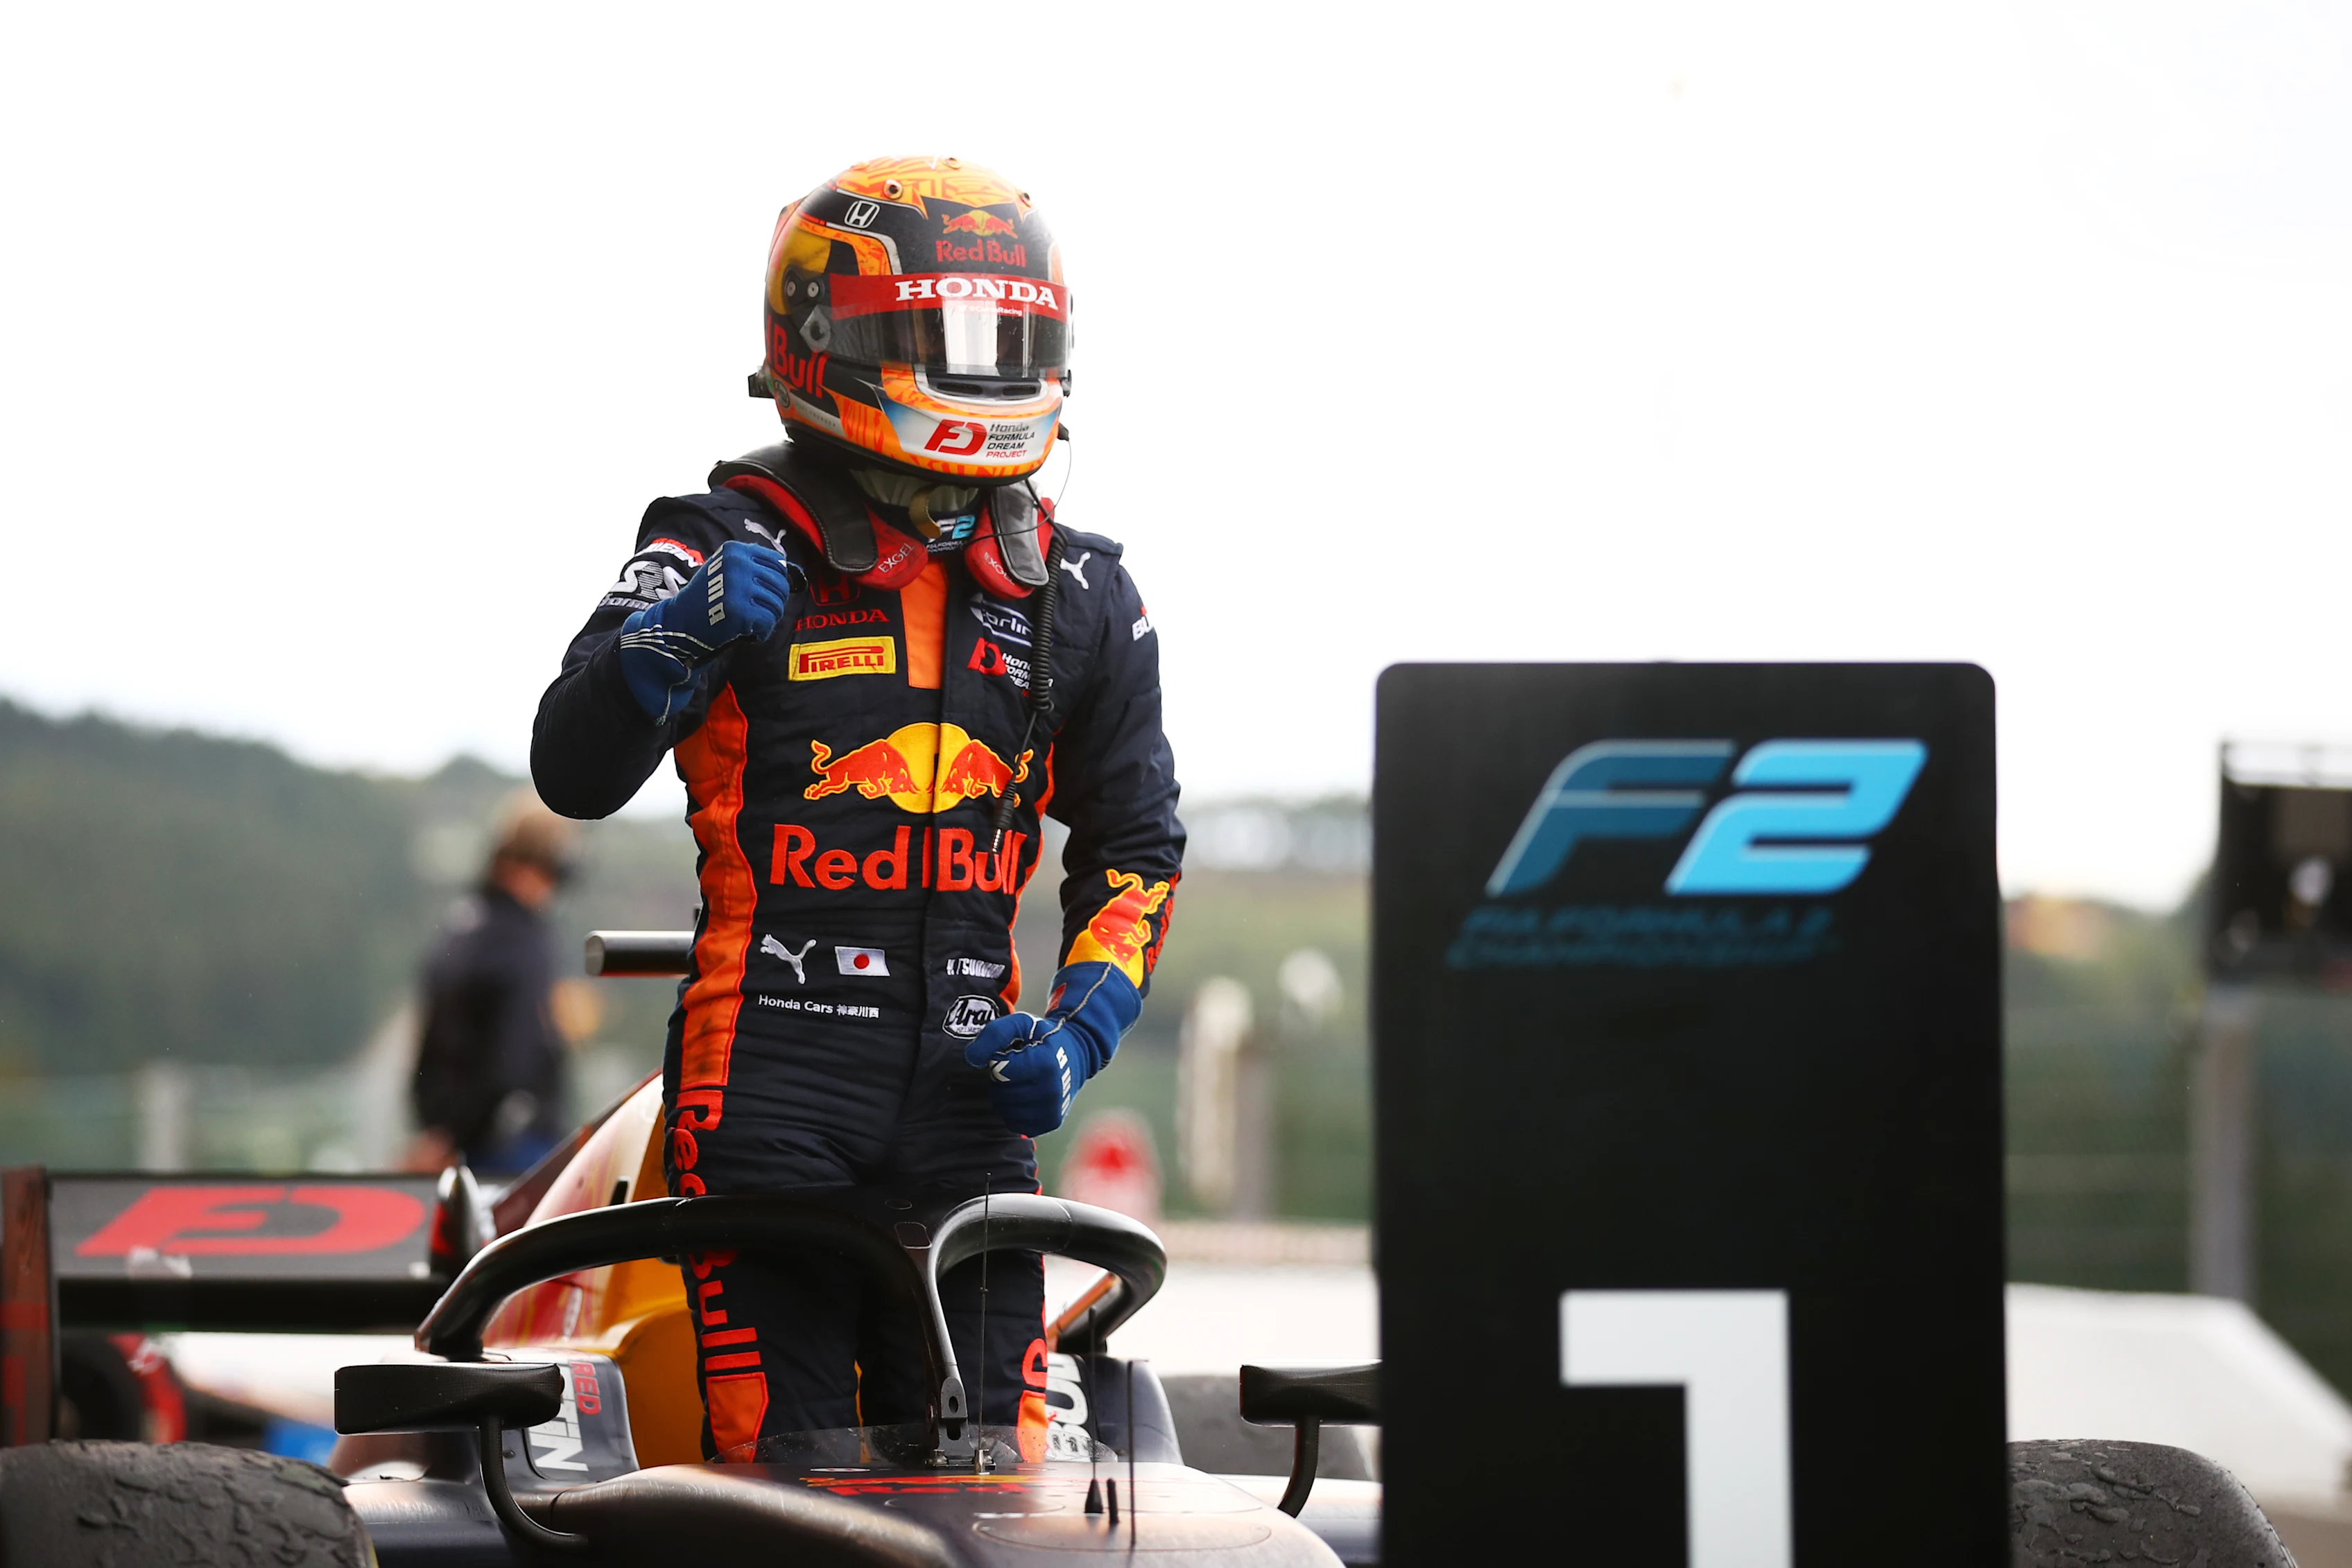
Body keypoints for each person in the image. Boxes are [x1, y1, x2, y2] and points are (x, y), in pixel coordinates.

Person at [531, 155, 1182, 1462]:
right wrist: (675, 639)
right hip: (769, 1086)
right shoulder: (716, 539)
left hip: (974, 1100)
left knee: (1003, 1476)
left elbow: (1136, 851)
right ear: (826, 333)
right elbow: (572, 766)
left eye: (1010, 340)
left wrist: (1084, 1026)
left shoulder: (1081, 591)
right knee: (788, 1479)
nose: (983, 367)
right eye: (946, 335)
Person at [408, 794, 578, 1176]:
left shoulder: (458, 927)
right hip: (511, 1146)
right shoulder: (523, 941)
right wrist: (463, 1133)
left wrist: (439, 1133)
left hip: (453, 1142)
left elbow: (430, 1045)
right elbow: (515, 1056)